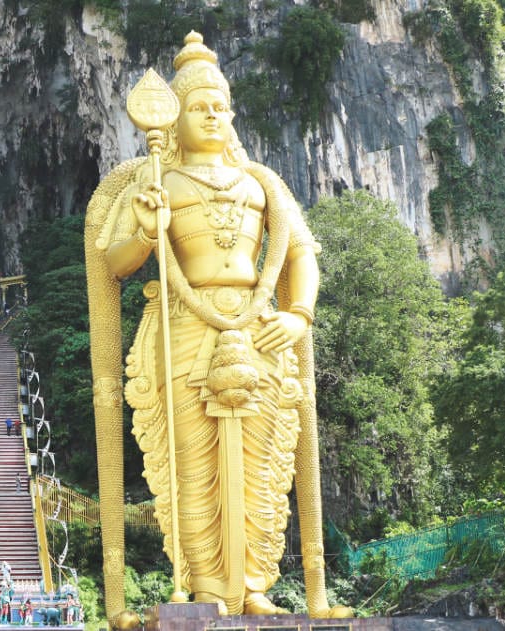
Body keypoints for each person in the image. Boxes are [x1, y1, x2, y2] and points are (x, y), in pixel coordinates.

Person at [85, 32, 349, 619]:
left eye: (219, 107)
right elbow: (114, 263)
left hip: (259, 326)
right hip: (184, 322)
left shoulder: (262, 184)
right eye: (198, 107)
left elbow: (301, 254)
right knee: (192, 458)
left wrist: (298, 314)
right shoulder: (157, 184)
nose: (211, 116)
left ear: (232, 115)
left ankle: (254, 584)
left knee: (264, 456)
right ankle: (205, 586)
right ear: (174, 119)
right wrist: (147, 230)